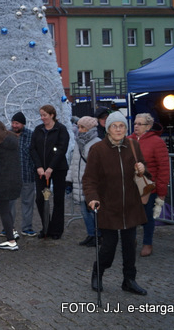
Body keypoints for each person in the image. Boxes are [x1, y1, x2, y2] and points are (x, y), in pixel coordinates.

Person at [84, 112, 149, 296]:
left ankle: (129, 280)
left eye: (122, 126)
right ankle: (98, 272)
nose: (119, 129)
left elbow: (143, 170)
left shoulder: (133, 145)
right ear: (108, 129)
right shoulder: (97, 150)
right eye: (115, 126)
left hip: (130, 205)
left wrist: (143, 169)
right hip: (108, 206)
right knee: (109, 246)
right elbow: (89, 179)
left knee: (130, 246)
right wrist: (92, 198)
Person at [128, 113, 170, 257]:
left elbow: (163, 167)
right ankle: (130, 241)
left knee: (146, 217)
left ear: (149, 126)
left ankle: (147, 243)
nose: (136, 126)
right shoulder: (128, 140)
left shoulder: (157, 142)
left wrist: (161, 189)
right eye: (135, 123)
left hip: (148, 186)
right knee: (129, 216)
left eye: (140, 124)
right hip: (130, 186)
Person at [30, 104, 70, 240]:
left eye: (44, 115)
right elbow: (33, 149)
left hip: (58, 169)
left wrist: (51, 168)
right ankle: (46, 226)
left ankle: (56, 230)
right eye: (41, 115)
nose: (42, 118)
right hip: (41, 170)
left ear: (52, 115)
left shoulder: (61, 129)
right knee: (40, 199)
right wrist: (39, 167)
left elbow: (61, 149)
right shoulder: (38, 130)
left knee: (58, 199)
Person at [66, 116, 102, 247]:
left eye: (82, 127)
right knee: (83, 211)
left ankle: (99, 235)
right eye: (79, 126)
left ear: (89, 129)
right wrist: (69, 179)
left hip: (90, 183)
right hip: (79, 181)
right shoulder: (79, 142)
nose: (79, 129)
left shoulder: (97, 143)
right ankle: (91, 234)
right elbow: (74, 162)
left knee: (92, 211)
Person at [0, 120, 23, 251]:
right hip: (15, 179)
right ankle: (12, 231)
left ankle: (11, 240)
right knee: (8, 208)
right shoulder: (13, 140)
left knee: (4, 211)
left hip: (1, 181)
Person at [10, 112, 38, 237]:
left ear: (23, 124)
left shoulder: (31, 135)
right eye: (13, 123)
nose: (14, 125)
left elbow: (34, 155)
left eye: (17, 123)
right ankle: (8, 227)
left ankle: (27, 227)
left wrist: (34, 170)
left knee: (27, 203)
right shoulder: (7, 135)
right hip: (10, 177)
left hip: (27, 175)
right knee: (10, 203)